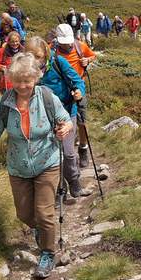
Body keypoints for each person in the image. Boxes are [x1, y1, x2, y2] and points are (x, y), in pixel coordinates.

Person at [0, 52, 72, 279]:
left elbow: (65, 120)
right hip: (18, 167)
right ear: (11, 79)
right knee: (25, 213)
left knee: (45, 213)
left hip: (47, 162)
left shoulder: (48, 97)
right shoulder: (4, 103)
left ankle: (47, 253)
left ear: (36, 77)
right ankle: (39, 230)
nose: (23, 85)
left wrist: (65, 128)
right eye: (18, 80)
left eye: (27, 80)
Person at [26, 36, 92, 201]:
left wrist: (78, 91)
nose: (35, 60)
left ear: (46, 53)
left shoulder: (58, 62)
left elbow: (77, 81)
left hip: (66, 113)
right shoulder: (26, 69)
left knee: (68, 152)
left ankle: (75, 185)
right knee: (50, 154)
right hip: (42, 117)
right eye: (31, 56)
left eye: (38, 56)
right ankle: (58, 189)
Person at [51, 24, 97, 168]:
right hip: (60, 93)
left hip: (78, 88)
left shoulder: (80, 46)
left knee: (82, 121)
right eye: (64, 42)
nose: (68, 44)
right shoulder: (51, 49)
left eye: (69, 41)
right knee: (60, 122)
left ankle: (83, 148)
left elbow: (92, 55)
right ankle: (64, 153)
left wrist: (88, 60)